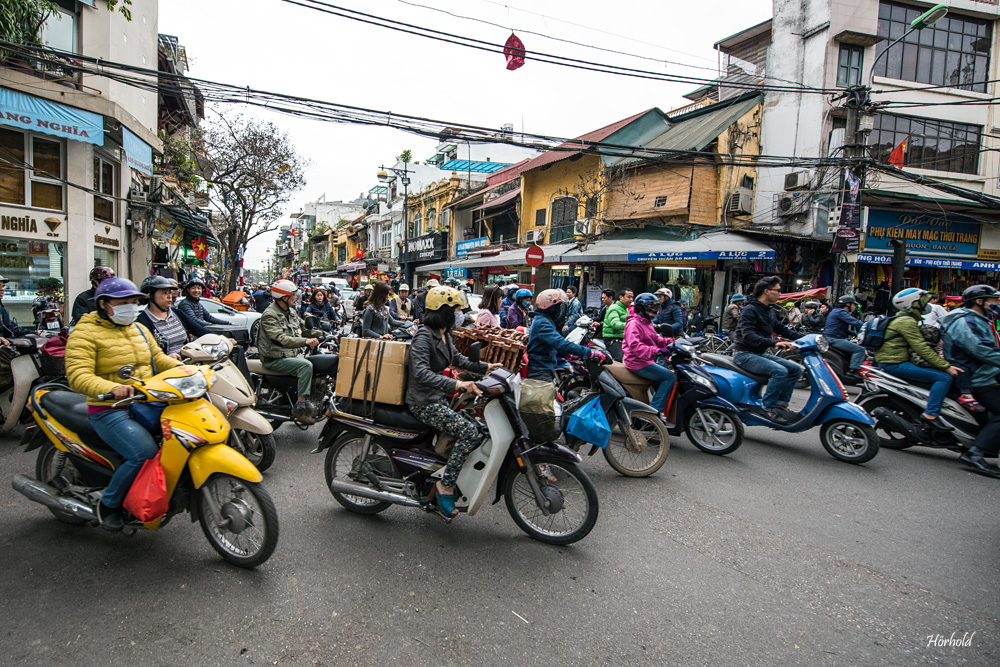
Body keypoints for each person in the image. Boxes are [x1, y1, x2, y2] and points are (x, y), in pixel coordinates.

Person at [64, 277, 182, 531]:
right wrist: (112, 388)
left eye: (134, 302)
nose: (131, 306)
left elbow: (158, 359)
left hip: (146, 401)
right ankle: (108, 504)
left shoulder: (138, 328)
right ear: (104, 304)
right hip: (109, 409)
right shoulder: (85, 332)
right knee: (143, 453)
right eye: (124, 302)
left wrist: (185, 369)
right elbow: (78, 375)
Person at [406, 286, 495, 517]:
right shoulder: (424, 335)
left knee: (478, 428)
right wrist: (458, 385)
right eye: (455, 309)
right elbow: (421, 373)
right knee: (468, 433)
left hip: (436, 398)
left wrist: (487, 368)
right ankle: (444, 487)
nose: (459, 313)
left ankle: (442, 475)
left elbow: (456, 358)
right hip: (423, 402)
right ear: (442, 310)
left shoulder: (444, 333)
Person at [874, 288, 962, 432]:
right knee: (944, 378)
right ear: (913, 304)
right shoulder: (906, 321)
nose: (927, 305)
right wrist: (946, 366)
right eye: (923, 301)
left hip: (897, 361)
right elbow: (922, 348)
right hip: (895, 364)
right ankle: (931, 414)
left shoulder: (906, 319)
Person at [941, 284, 1000, 477]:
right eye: (994, 300)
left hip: (987, 373)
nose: (997, 303)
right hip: (978, 377)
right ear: (979, 301)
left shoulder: (981, 319)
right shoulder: (966, 322)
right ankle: (975, 452)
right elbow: (982, 350)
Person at [732, 276, 803, 424]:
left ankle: (781, 405)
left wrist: (805, 338)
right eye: (778, 290)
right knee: (780, 371)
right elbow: (748, 335)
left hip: (759, 353)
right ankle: (768, 408)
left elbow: (781, 329)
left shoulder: (769, 310)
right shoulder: (750, 310)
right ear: (766, 291)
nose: (780, 294)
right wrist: (775, 343)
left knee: (796, 369)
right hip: (744, 354)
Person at [257, 279, 323, 425]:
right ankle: (300, 407)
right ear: (284, 298)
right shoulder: (270, 315)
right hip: (274, 358)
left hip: (289, 356)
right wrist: (305, 341)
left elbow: (304, 329)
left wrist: (322, 333)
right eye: (293, 295)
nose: (296, 298)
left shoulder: (291, 312)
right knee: (305, 366)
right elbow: (280, 339)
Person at [624, 293, 676, 415]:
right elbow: (636, 347)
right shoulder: (634, 324)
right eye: (652, 307)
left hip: (647, 359)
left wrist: (672, 342)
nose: (655, 310)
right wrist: (657, 351)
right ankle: (653, 412)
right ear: (642, 308)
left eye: (656, 307)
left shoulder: (647, 322)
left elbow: (656, 340)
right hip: (637, 362)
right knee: (670, 377)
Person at [135, 276, 212, 358]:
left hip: (188, 363)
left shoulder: (178, 314)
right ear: (149, 295)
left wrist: (221, 338)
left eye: (169, 292)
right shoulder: (141, 322)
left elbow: (201, 331)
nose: (169, 296)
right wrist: (166, 358)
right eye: (164, 293)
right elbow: (144, 355)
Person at [823, 295, 867, 379]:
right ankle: (852, 371)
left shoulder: (835, 311)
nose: (855, 307)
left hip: (832, 337)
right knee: (860, 349)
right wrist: (869, 326)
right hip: (833, 339)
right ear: (848, 304)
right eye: (854, 305)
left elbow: (840, 328)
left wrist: (855, 334)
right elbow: (855, 322)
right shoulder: (841, 312)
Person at [602, 288, 633, 361]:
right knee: (619, 359)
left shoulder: (625, 309)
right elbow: (615, 324)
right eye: (628, 297)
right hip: (613, 339)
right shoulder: (614, 308)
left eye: (632, 297)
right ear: (621, 297)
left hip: (623, 339)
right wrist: (631, 325)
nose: (631, 299)